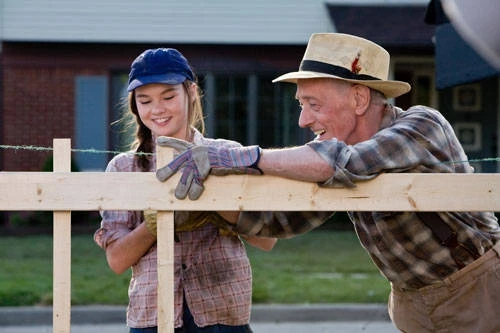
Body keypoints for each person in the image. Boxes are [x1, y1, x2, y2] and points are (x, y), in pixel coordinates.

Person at [155, 33, 500, 333]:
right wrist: (211, 200)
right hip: (413, 303)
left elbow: (345, 163)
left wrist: (238, 157)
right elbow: (283, 220)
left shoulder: (422, 125)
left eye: (313, 104)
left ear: (360, 99)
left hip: (480, 290)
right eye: (301, 105)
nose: (304, 120)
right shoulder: (329, 159)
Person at [94, 47, 277, 333]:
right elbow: (116, 260)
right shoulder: (123, 168)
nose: (157, 109)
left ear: (191, 92)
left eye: (168, 97)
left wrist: (214, 204)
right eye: (145, 101)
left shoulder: (227, 154)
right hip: (152, 315)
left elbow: (268, 239)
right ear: (135, 106)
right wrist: (155, 223)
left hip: (222, 310)